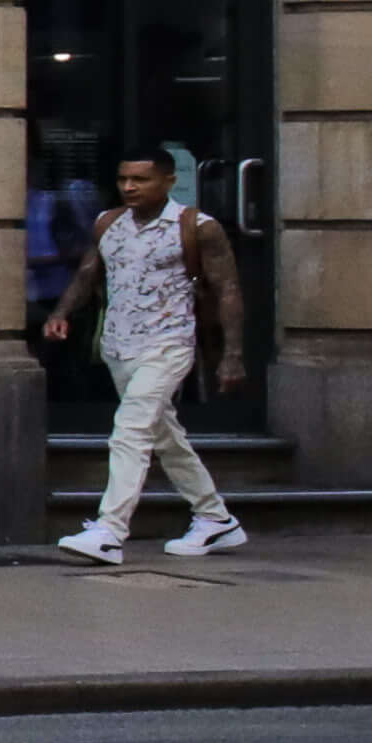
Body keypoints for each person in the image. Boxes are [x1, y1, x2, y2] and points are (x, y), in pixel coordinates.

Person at [41, 143, 252, 564]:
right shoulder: (108, 223)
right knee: (164, 436)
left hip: (169, 344)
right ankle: (216, 519)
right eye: (123, 179)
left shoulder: (198, 227)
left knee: (131, 429)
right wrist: (61, 312)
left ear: (168, 181)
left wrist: (233, 354)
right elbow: (88, 272)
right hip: (119, 346)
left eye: (140, 179)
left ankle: (109, 530)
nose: (130, 187)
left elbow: (228, 290)